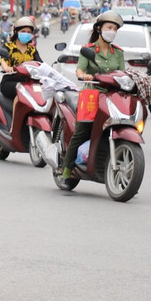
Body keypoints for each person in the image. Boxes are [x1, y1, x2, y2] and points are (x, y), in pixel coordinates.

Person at [59, 10, 126, 181]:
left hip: (112, 97)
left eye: (115, 29)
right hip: (91, 96)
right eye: (109, 27)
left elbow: (122, 73)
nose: (112, 31)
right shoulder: (87, 50)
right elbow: (80, 69)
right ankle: (66, 167)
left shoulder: (118, 52)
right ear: (99, 28)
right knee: (81, 132)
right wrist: (84, 75)